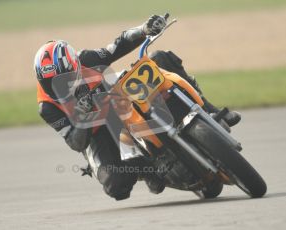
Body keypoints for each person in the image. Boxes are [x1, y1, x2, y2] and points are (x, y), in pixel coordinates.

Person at [34, 15, 241, 201]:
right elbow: (75, 143)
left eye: (63, 78)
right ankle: (148, 171)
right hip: (96, 133)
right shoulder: (47, 107)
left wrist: (144, 29)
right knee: (117, 186)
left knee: (161, 58)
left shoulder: (86, 59)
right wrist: (82, 115)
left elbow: (118, 45)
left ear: (75, 65)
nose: (56, 85)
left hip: (116, 100)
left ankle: (210, 111)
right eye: (49, 82)